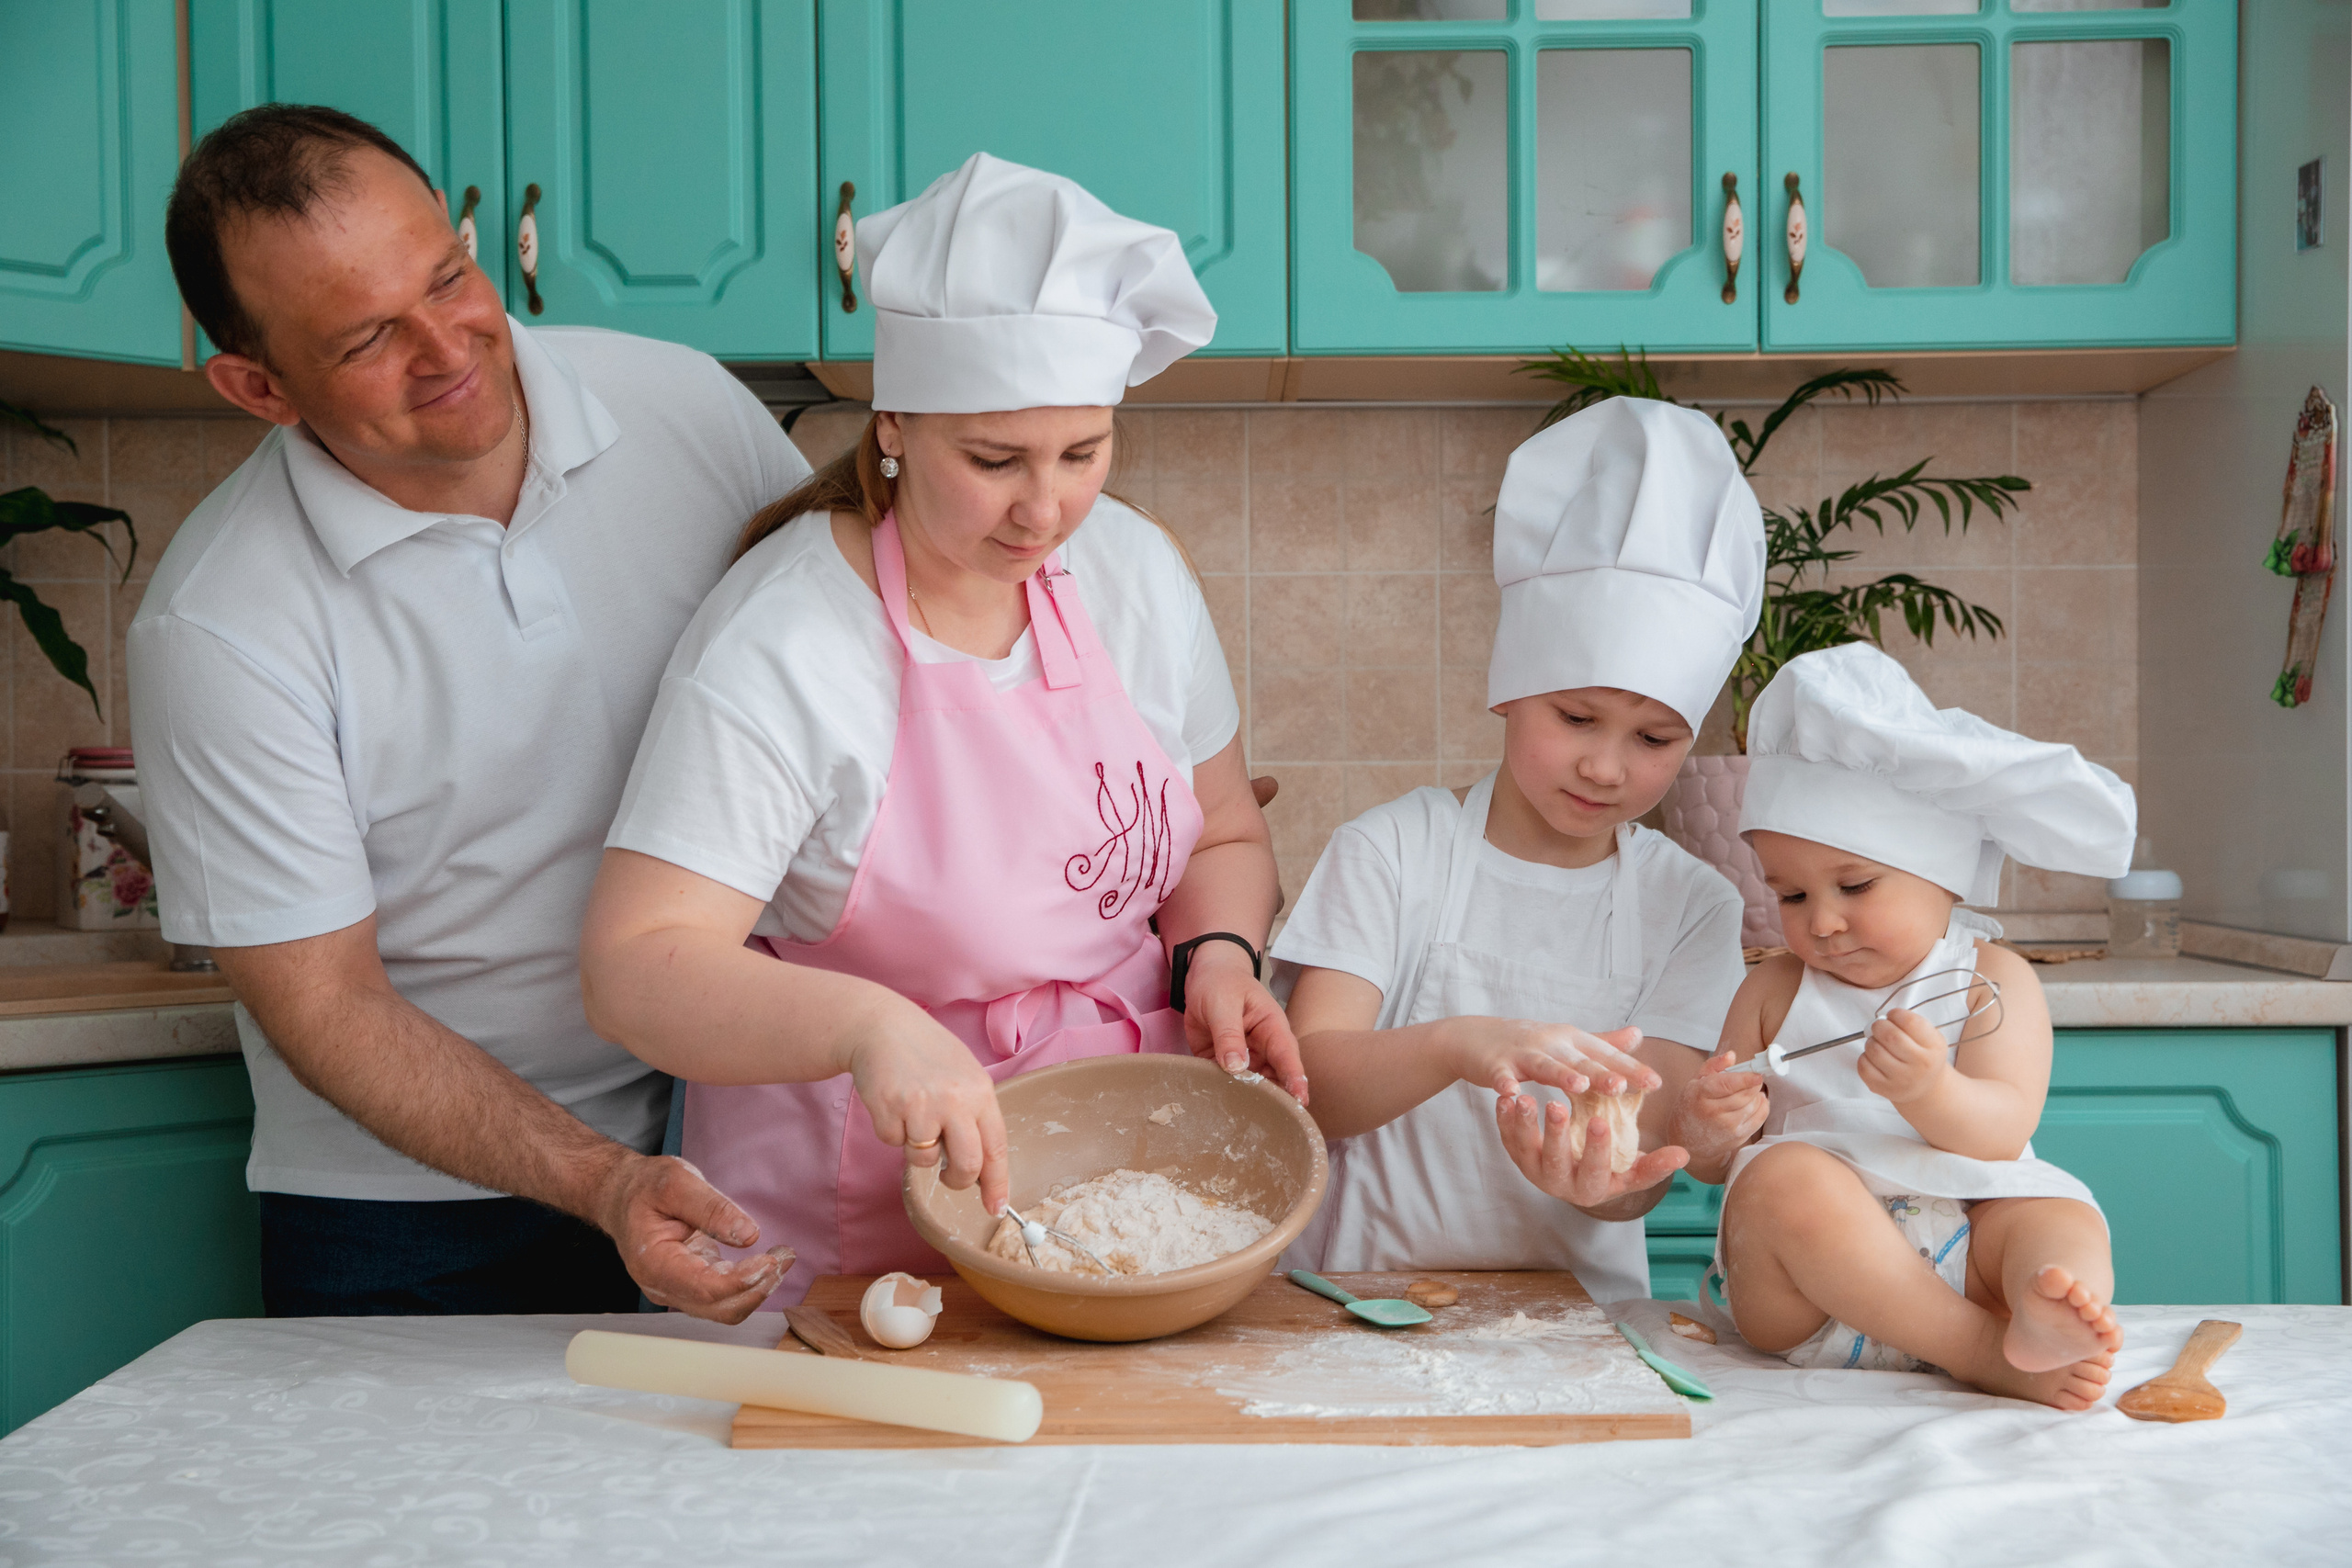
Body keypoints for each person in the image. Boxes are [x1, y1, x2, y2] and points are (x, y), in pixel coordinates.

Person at [578, 152, 1298, 1305]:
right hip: (846, 1219)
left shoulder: (1135, 571)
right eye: (994, 460)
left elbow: (1217, 832)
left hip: (1117, 1192)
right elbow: (633, 967)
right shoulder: (786, 639)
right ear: (898, 424)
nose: (1046, 509)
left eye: (1083, 453)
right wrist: (870, 1027)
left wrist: (1217, 953)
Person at [128, 105, 810, 1318]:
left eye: (449, 275)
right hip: (397, 1218)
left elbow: (854, 674)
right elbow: (328, 1004)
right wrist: (602, 1182)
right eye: (368, 337)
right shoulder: (221, 623)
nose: (448, 347)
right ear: (257, 385)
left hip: (729, 1137)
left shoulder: (686, 408)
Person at [1272, 398, 1768, 1303]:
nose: (1605, 765)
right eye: (1575, 718)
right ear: (1510, 690)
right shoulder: (1390, 851)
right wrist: (1463, 1045)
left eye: (1654, 739)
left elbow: (1650, 1154)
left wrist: (1612, 1181)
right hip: (1353, 1303)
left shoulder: (1693, 905)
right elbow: (1311, 1088)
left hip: (1576, 1320)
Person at [1682, 642, 2132, 1410]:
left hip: (1968, 1263)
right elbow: (1713, 1168)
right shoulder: (1770, 989)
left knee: (2059, 1213)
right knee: (1780, 1179)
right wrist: (1712, 1128)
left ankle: (2041, 1312)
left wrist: (1930, 1089)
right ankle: (1979, 1351)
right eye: (1789, 895)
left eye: (1854, 885)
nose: (1820, 922)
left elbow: (2000, 1131)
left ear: (1941, 875)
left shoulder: (1992, 980)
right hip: (1811, 1295)